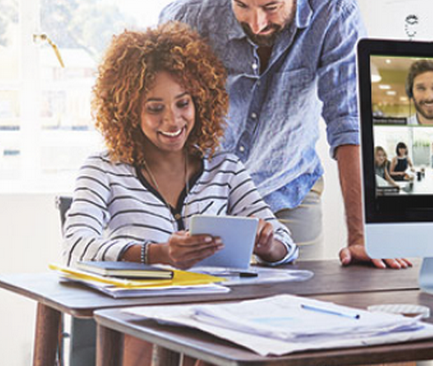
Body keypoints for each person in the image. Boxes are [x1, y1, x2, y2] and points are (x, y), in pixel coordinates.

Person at [160, 0, 408, 269]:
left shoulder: (334, 12)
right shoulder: (190, 16)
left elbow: (349, 123)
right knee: (197, 297)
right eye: (241, 5)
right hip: (200, 195)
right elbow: (154, 115)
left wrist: (360, 236)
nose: (256, 23)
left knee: (298, 294)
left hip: (287, 188)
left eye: (270, 7)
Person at [62, 23, 299, 366]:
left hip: (214, 318)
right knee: (148, 328)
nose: (173, 120)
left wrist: (267, 244)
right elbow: (75, 248)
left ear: (199, 102)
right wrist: (158, 254)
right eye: (155, 108)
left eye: (183, 103)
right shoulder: (104, 169)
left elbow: (285, 245)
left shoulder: (225, 169)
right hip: (140, 317)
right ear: (129, 111)